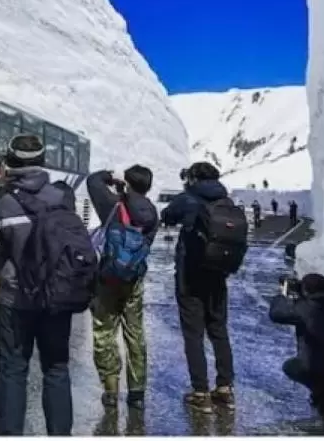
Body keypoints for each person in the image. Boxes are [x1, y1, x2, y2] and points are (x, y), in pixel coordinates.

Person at [0, 133, 97, 436]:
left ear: (9, 162)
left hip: (16, 300)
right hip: (56, 296)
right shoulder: (61, 197)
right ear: (41, 161)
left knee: (13, 371)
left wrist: (0, 186)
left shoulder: (4, 203)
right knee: (56, 369)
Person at [161, 162, 247, 413]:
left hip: (191, 275)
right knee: (219, 330)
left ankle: (200, 392)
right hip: (219, 274)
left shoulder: (188, 198)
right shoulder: (226, 201)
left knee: (193, 334)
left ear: (194, 178)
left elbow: (166, 216)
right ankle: (224, 388)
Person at [87, 166, 159, 410]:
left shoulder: (112, 204)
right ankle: (137, 393)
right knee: (135, 333)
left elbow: (93, 180)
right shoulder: (152, 213)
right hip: (133, 280)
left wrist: (110, 177)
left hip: (107, 279)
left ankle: (110, 389)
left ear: (127, 184)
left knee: (104, 332)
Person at [269, 273, 324, 422]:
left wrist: (283, 295)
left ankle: (321, 393)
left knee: (291, 366)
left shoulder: (306, 309)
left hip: (320, 370)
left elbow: (277, 314)